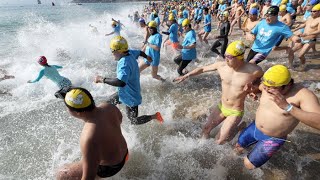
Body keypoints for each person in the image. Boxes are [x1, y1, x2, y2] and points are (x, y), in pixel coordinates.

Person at [174, 41, 263, 144]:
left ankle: (239, 128)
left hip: (235, 111)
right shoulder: (222, 66)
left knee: (219, 141)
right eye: (225, 56)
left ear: (239, 57)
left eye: (229, 57)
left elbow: (262, 84)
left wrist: (253, 89)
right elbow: (202, 68)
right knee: (206, 129)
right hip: (222, 106)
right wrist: (186, 75)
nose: (225, 59)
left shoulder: (254, 70)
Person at [235, 65, 320, 169]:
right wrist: (253, 90)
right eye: (265, 85)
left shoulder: (303, 95)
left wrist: (288, 107)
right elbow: (260, 88)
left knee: (249, 165)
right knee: (237, 148)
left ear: (288, 85)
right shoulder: (267, 86)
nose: (266, 89)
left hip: (273, 138)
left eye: (272, 88)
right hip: (255, 127)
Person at [56, 87, 129, 179]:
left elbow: (88, 178)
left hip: (110, 168)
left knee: (62, 173)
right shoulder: (109, 107)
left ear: (77, 113)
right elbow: (119, 120)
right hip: (125, 154)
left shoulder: (88, 137)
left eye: (67, 107)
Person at [94, 36, 163, 125]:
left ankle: (155, 116)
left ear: (119, 51)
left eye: (113, 51)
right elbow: (140, 52)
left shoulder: (124, 63)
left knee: (134, 121)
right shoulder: (129, 52)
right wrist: (147, 56)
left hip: (131, 96)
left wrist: (101, 79)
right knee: (106, 104)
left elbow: (121, 82)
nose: (112, 54)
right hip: (124, 92)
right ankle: (107, 122)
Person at [291, 4, 320, 71]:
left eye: (314, 11)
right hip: (303, 38)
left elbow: (319, 31)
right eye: (311, 11)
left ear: (319, 12)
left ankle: (303, 66)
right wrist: (295, 29)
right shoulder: (310, 18)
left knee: (300, 55)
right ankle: (291, 66)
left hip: (311, 40)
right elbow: (304, 25)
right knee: (291, 51)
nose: (312, 13)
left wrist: (308, 33)